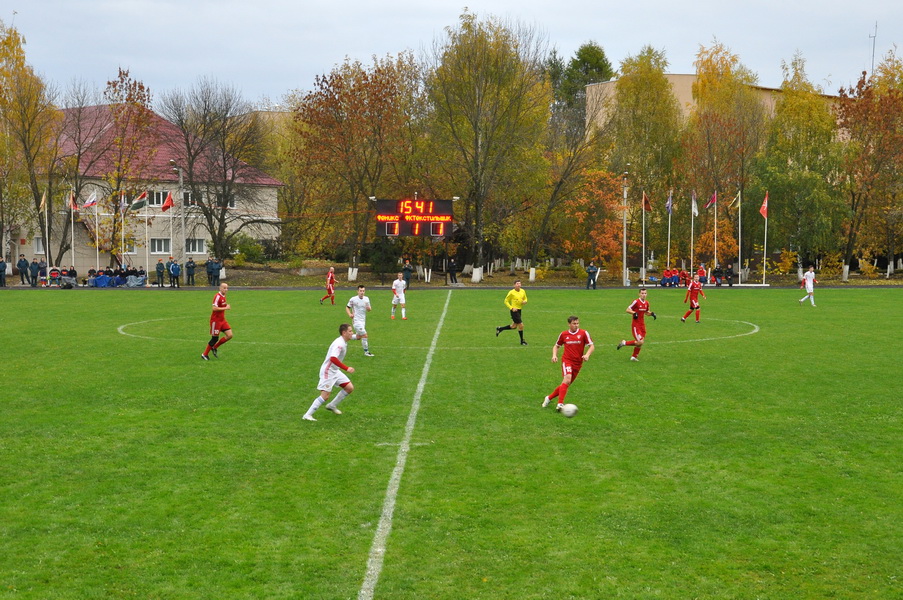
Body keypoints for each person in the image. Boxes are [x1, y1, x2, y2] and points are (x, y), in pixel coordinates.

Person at [302, 323, 365, 421]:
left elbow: (355, 337)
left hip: (335, 371)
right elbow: (333, 358)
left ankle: (332, 405)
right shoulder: (339, 344)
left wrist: (360, 335)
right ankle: (307, 415)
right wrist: (346, 368)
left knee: (349, 388)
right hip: (328, 371)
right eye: (350, 331)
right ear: (344, 333)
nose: (351, 332)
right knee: (325, 396)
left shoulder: (344, 339)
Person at [542, 315, 595, 412]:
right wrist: (554, 355)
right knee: (567, 379)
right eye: (574, 323)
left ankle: (548, 398)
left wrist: (587, 355)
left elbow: (591, 346)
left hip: (578, 363)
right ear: (569, 324)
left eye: (577, 323)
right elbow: (556, 346)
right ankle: (560, 404)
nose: (576, 325)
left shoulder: (584, 333)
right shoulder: (564, 334)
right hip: (567, 360)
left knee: (566, 384)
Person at [617, 287, 656, 362]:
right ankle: (624, 343)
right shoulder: (636, 302)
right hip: (636, 325)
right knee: (640, 341)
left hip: (642, 325)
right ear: (639, 294)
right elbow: (627, 309)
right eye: (642, 293)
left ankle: (633, 357)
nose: (643, 295)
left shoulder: (647, 303)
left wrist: (652, 314)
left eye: (645, 293)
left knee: (640, 343)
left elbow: (646, 312)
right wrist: (634, 313)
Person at [202, 282, 233, 360]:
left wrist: (225, 306)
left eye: (227, 288)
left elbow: (221, 306)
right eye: (224, 288)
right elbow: (214, 308)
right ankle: (204, 354)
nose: (226, 289)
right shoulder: (217, 296)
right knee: (214, 338)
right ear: (220, 288)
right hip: (215, 321)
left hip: (222, 320)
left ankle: (214, 347)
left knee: (229, 335)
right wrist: (226, 308)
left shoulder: (223, 296)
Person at [495, 279, 528, 345]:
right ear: (514, 285)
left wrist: (525, 301)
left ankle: (500, 329)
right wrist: (511, 308)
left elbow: (525, 298)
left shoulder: (523, 291)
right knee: (521, 325)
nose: (519, 285)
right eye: (517, 284)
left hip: (519, 310)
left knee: (514, 326)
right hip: (514, 311)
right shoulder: (511, 292)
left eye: (519, 283)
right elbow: (506, 301)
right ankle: (522, 341)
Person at [346, 285, 374, 357]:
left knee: (358, 337)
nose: (362, 292)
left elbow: (369, 309)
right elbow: (347, 307)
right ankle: (366, 352)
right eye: (360, 291)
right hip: (356, 321)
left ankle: (345, 337)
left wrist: (368, 308)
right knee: (365, 335)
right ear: (357, 291)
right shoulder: (353, 299)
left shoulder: (366, 299)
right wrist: (350, 314)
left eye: (363, 291)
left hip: (363, 320)